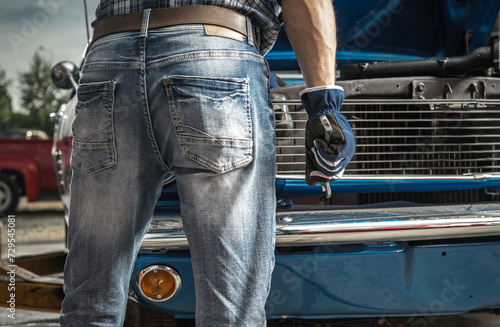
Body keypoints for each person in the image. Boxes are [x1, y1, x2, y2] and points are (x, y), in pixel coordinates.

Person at [60, 0, 353, 326]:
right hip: (213, 53)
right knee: (230, 307)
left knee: (89, 302)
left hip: (108, 57)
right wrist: (325, 103)